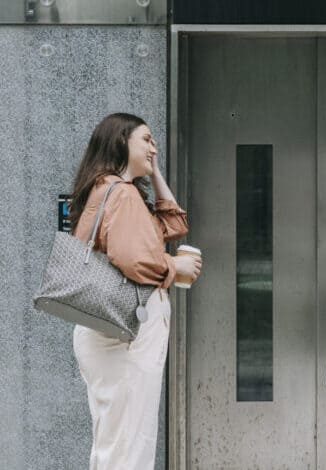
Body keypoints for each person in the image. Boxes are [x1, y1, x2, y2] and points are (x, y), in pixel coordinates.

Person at [69, 113, 202, 469]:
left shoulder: (107, 190)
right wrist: (176, 268)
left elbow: (174, 224)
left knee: (115, 439)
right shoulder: (122, 194)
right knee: (130, 442)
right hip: (127, 331)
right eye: (146, 139)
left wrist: (153, 171)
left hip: (108, 329)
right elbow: (133, 260)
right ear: (121, 142)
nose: (153, 146)